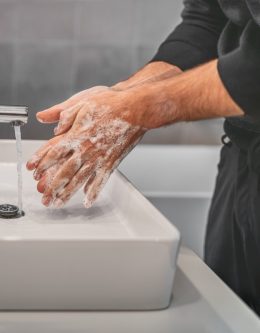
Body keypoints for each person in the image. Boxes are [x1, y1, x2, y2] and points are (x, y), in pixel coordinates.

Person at [27, 0, 260, 314]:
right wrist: (123, 96)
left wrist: (138, 109)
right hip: (240, 157)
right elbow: (208, 20)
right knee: (231, 314)